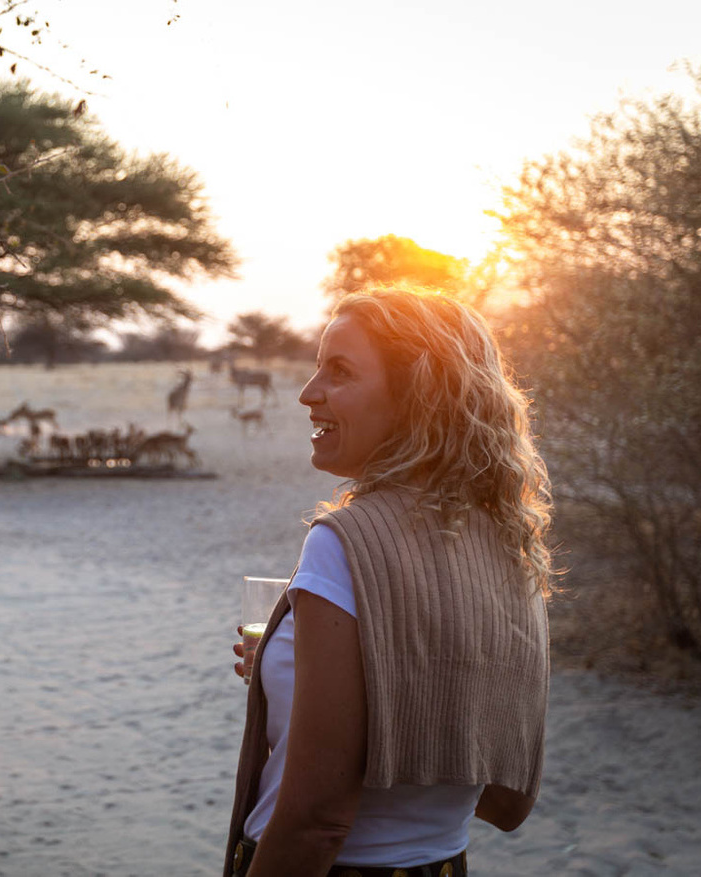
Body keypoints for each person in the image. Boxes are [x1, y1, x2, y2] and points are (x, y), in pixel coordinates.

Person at [224, 287, 553, 877]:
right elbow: (506, 799)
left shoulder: (343, 542)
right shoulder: (510, 541)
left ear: (416, 398)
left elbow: (317, 822)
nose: (307, 392)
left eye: (340, 371)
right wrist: (308, 680)